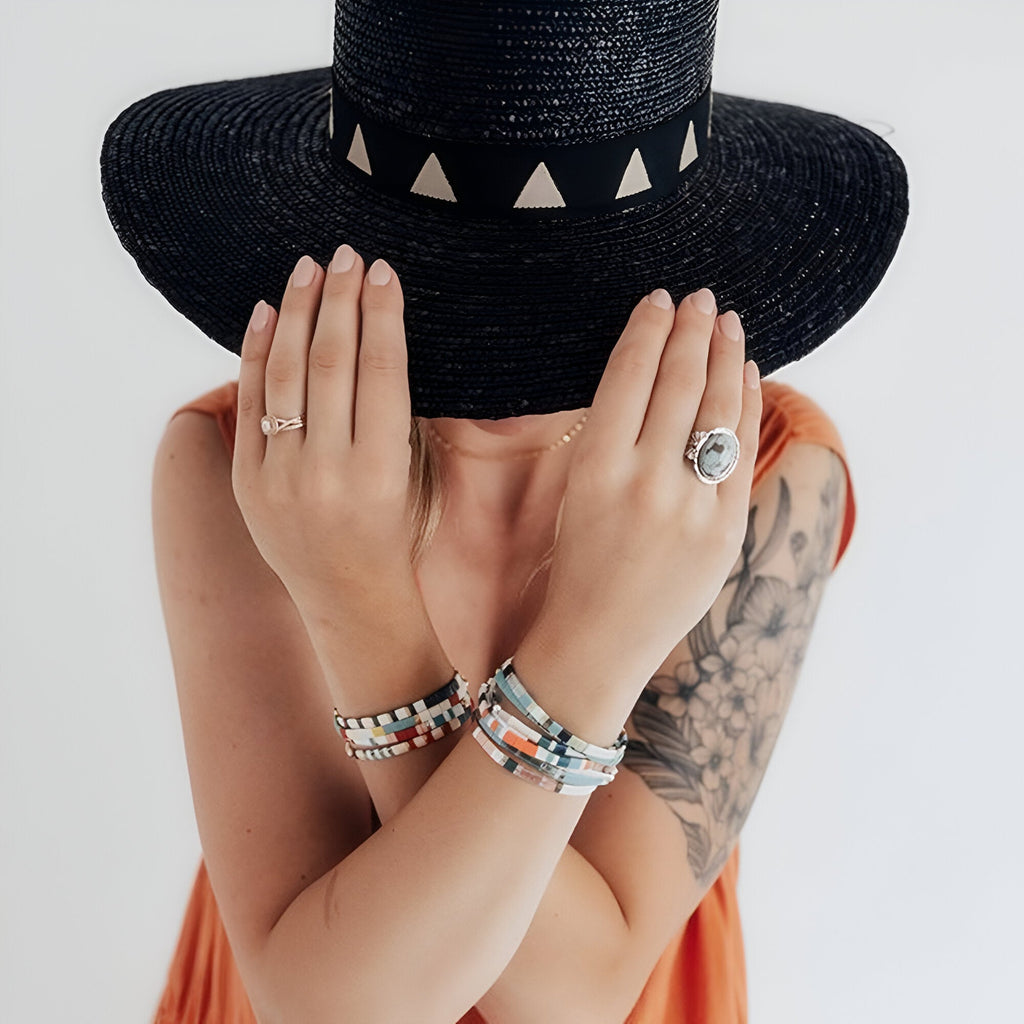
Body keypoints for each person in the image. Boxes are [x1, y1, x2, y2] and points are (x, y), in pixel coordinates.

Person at [99, 3, 907, 1022]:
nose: (502, 359)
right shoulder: (246, 462)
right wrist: (363, 593)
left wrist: (574, 636)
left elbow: (575, 998)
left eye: (555, 300)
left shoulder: (761, 470)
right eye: (443, 280)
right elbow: (326, 1005)